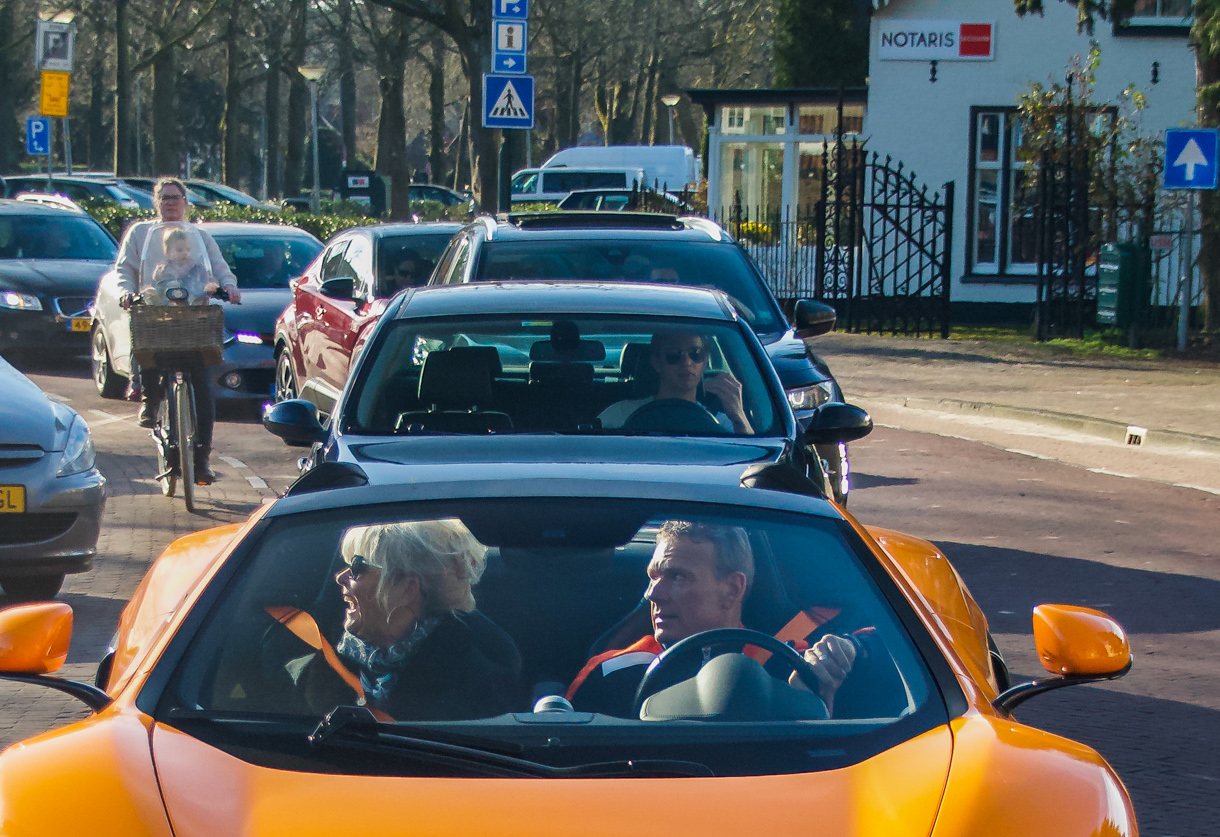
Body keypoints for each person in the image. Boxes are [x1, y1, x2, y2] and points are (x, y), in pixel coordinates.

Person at [567, 521, 853, 717]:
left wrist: (818, 697)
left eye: (677, 576)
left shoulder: (793, 667)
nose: (654, 594)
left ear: (732, 589)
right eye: (653, 576)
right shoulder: (609, 672)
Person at [265, 521, 520, 721]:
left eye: (357, 567)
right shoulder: (307, 668)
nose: (341, 578)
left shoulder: (477, 689)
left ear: (408, 588)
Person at [111, 177, 240, 482]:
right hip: (156, 316)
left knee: (204, 389)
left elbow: (218, 267)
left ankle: (201, 460)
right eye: (164, 198)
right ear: (155, 202)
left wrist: (228, 286)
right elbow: (125, 270)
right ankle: (148, 397)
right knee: (144, 342)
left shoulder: (199, 236)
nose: (170, 203)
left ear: (185, 202)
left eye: (176, 197)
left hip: (193, 320)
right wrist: (126, 293)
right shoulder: (140, 233)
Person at [599, 329, 750, 434]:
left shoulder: (721, 421)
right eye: (674, 355)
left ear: (704, 362)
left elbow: (754, 462)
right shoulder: (619, 414)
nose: (687, 362)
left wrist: (739, 416)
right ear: (656, 363)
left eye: (695, 354)